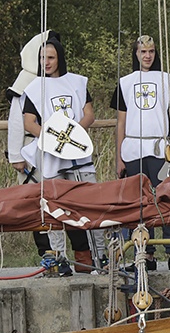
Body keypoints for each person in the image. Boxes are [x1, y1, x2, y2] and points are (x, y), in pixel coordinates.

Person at [21, 32, 107, 272]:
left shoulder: (77, 82)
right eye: (42, 58)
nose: (46, 62)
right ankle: (59, 259)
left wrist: (72, 136)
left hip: (78, 154)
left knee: (90, 205)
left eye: (50, 57)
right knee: (55, 207)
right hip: (51, 156)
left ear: (59, 58)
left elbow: (88, 113)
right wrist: (53, 139)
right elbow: (30, 122)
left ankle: (100, 257)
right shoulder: (34, 87)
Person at [110, 35, 170, 270]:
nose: (147, 56)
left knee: (166, 199)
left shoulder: (168, 80)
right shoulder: (125, 82)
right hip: (133, 148)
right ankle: (145, 254)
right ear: (136, 54)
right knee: (139, 204)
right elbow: (120, 122)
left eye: (151, 51)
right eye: (143, 52)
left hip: (160, 148)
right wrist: (118, 156)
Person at [7, 33, 52, 259]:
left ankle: (78, 254)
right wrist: (16, 155)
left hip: (58, 149)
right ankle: (47, 253)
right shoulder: (24, 86)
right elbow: (16, 120)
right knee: (37, 204)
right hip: (31, 147)